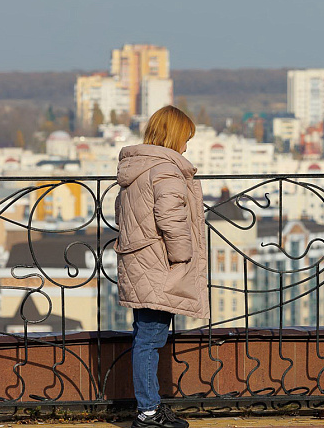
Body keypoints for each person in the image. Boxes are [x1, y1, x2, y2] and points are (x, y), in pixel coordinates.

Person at [115, 105, 208, 428]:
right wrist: (182, 256)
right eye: (186, 138)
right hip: (159, 265)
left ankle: (149, 408)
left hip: (139, 261)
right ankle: (149, 412)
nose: (186, 146)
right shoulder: (165, 170)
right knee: (150, 340)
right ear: (175, 135)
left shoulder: (135, 168)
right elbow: (171, 217)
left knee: (144, 335)